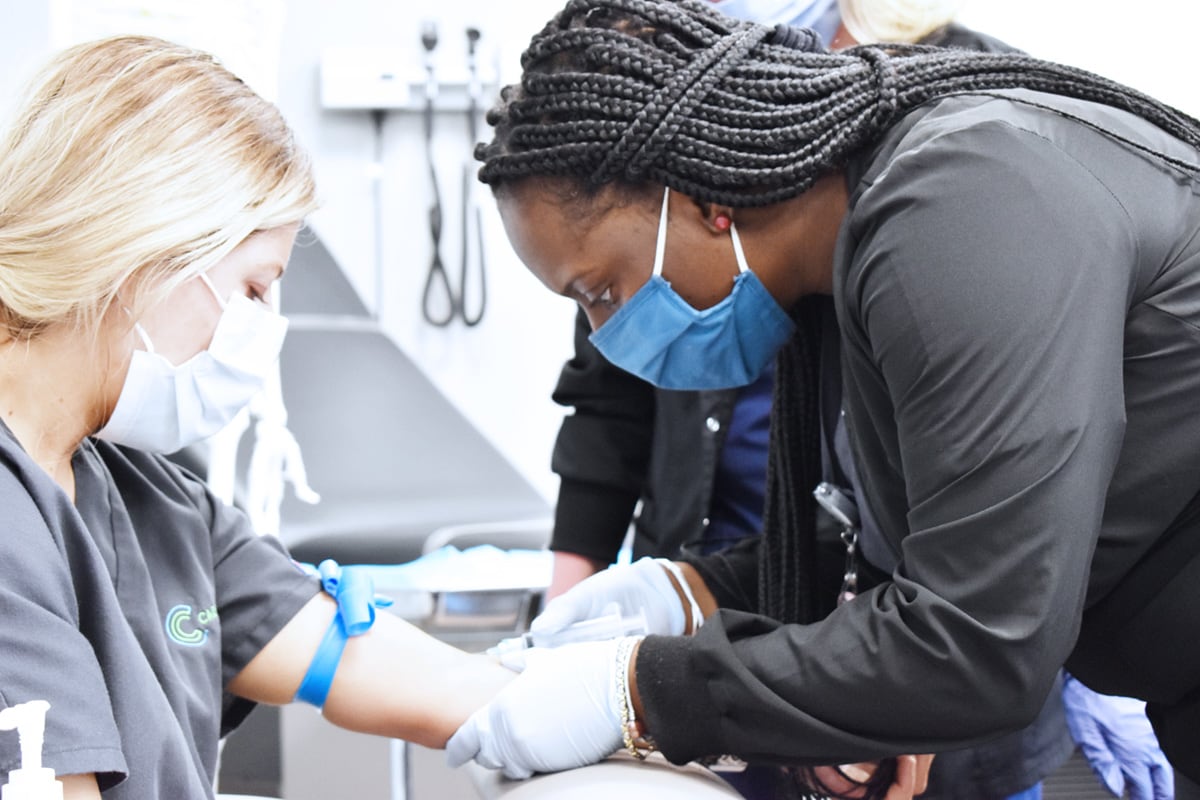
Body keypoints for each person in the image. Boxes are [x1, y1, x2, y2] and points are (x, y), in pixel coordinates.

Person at [445, 1, 1200, 798]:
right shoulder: (850, 251)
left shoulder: (962, 205)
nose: (605, 335)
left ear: (705, 201)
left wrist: (636, 692)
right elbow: (890, 540)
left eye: (601, 290)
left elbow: (980, 647)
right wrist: (688, 593)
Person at [0, 35, 516, 799]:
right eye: (252, 288)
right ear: (141, 249)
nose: (266, 327)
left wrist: (627, 695)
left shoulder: (149, 497)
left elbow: (369, 663)